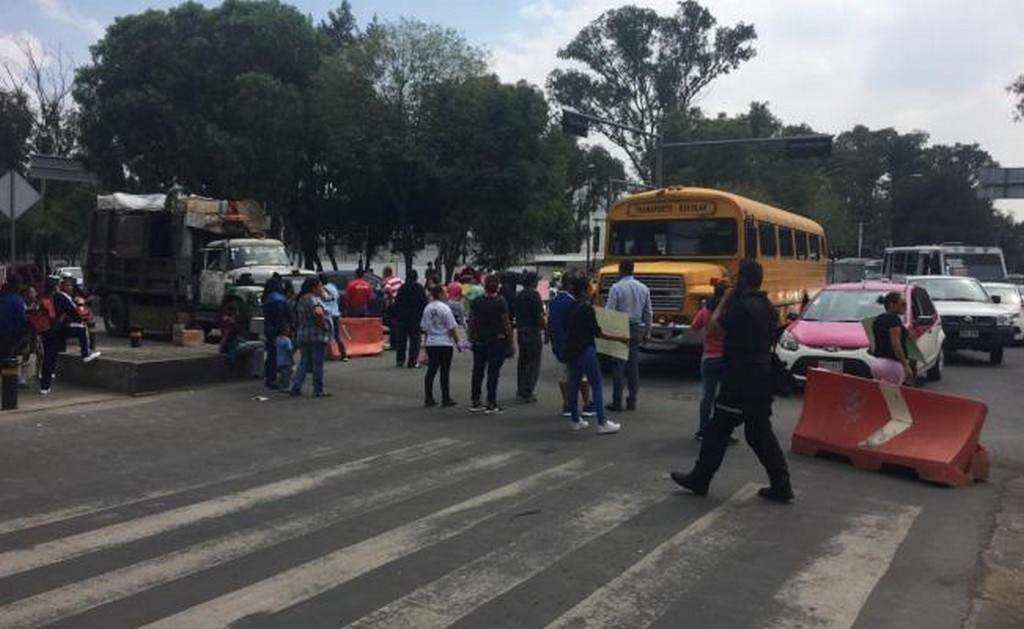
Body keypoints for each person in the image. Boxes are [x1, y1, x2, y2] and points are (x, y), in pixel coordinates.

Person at [670, 259, 794, 503]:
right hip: (761, 376)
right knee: (759, 432)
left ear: (744, 281)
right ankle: (782, 483)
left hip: (740, 378)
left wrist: (724, 300)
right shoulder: (767, 306)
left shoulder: (742, 306)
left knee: (718, 429)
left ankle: (700, 478)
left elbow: (714, 328)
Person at [563, 274, 623, 434]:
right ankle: (602, 422)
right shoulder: (587, 309)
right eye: (590, 287)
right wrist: (621, 338)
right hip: (586, 350)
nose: (592, 290)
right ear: (584, 291)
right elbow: (598, 333)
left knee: (573, 385)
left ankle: (575, 420)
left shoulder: (570, 307)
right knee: (596, 385)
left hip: (572, 350)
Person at [604, 260, 652, 411]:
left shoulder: (616, 288)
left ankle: (617, 402)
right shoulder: (643, 288)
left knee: (618, 366)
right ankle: (632, 399)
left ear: (620, 270)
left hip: (619, 325)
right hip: (636, 326)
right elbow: (648, 312)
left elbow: (610, 310)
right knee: (633, 365)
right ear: (632, 270)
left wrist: (606, 331)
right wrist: (647, 331)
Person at [548, 270, 595, 418]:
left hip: (559, 344)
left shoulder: (554, 300)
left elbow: (550, 323)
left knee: (563, 376)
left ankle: (567, 404)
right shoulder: (574, 303)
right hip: (575, 344)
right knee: (582, 377)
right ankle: (587, 404)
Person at [691, 282, 735, 443]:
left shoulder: (705, 311)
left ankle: (703, 429)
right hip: (726, 358)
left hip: (709, 357)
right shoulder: (730, 311)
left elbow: (694, 327)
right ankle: (723, 432)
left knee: (707, 396)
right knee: (724, 398)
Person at [468, 274, 513, 414]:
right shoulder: (501, 302)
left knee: (478, 370)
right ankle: (491, 402)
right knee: (493, 372)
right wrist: (510, 341)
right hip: (496, 339)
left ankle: (475, 400)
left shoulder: (477, 301)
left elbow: (472, 320)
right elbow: (506, 323)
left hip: (480, 339)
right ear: (497, 286)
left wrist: (471, 337)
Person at [289, 276, 332, 398]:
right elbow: (318, 313)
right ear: (313, 287)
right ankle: (318, 389)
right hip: (316, 336)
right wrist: (324, 326)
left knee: (304, 363)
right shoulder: (313, 299)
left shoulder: (301, 299)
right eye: (319, 286)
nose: (321, 288)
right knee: (317, 364)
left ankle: (296, 386)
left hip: (303, 335)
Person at [421, 284, 460, 407]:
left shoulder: (427, 308)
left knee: (431, 370)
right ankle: (445, 397)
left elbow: (425, 328)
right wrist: (458, 342)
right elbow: (452, 328)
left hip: (431, 342)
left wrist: (425, 344)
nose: (447, 294)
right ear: (439, 294)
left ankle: (428, 397)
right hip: (444, 343)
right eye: (445, 292)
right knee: (444, 371)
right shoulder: (445, 309)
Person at [513, 271, 546, 403]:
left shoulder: (519, 295)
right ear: (534, 282)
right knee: (533, 362)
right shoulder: (534, 295)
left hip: (521, 328)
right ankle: (527, 391)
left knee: (523, 360)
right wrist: (547, 329)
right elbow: (539, 316)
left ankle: (521, 388)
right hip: (532, 329)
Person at [868, 291, 914, 385]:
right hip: (891, 365)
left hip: (876, 363)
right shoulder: (894, 320)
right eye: (902, 304)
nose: (905, 307)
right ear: (892, 305)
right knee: (892, 395)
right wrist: (905, 365)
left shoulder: (878, 319)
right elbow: (896, 344)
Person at [218, 300, 265, 378]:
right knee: (262, 344)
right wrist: (221, 348)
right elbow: (225, 336)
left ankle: (255, 372)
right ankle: (256, 372)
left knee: (258, 350)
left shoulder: (226, 321)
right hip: (235, 346)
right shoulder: (230, 322)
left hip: (237, 344)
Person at [392, 269, 428, 368]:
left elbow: (397, 303)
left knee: (401, 339)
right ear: (416, 277)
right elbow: (424, 303)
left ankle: (400, 359)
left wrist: (395, 316)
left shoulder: (402, 288)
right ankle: (412, 361)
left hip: (402, 318)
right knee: (415, 340)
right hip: (415, 318)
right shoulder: (420, 288)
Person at [261, 275, 291, 389]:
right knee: (278, 354)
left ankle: (270, 377)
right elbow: (280, 316)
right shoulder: (277, 299)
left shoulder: (268, 297)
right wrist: (284, 328)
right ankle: (275, 379)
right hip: (277, 329)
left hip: (269, 328)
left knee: (271, 354)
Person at [319, 273, 347, 362]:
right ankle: (343, 355)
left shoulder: (321, 289)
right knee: (337, 336)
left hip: (327, 314)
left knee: (324, 336)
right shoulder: (333, 287)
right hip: (336, 313)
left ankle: (322, 356)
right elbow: (337, 298)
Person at [0, 277, 28, 360]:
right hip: (11, 337)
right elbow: (21, 321)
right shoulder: (18, 300)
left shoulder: (3, 297)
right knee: (8, 359)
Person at [275, 324, 295, 391]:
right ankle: (286, 387)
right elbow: (289, 351)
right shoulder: (287, 340)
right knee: (287, 374)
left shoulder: (277, 339)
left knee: (281, 374)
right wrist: (292, 359)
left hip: (278, 360)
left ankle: (280, 386)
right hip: (286, 361)